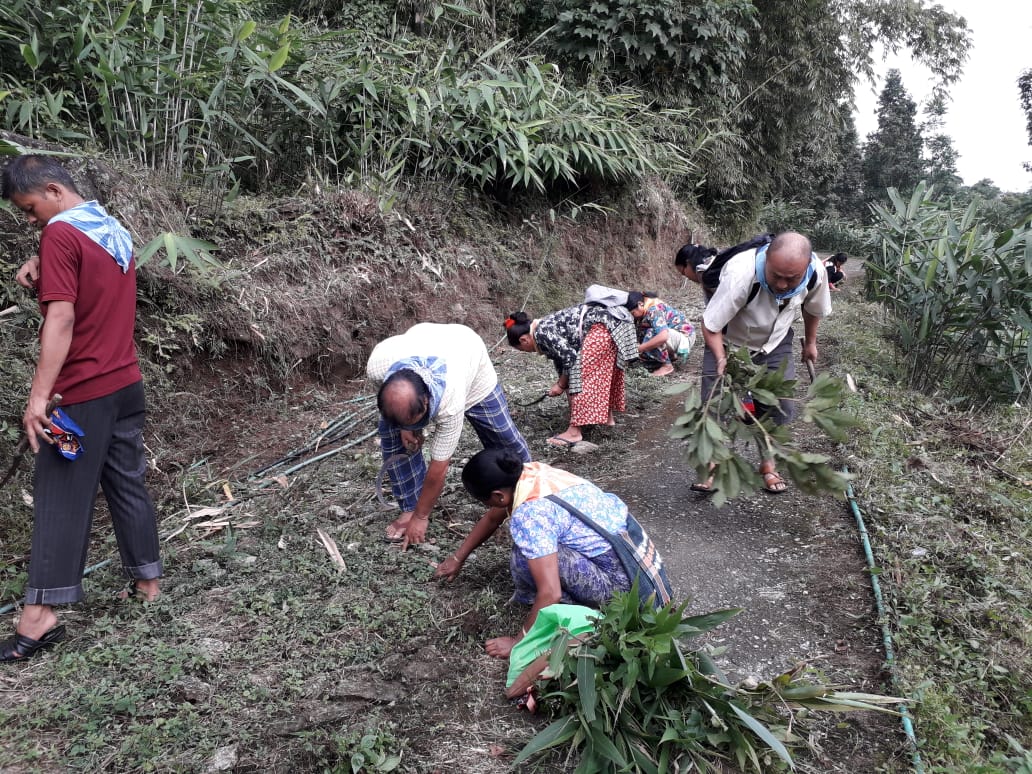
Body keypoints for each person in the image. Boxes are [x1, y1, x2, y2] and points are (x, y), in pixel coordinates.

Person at [1, 155, 163, 662]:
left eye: (30, 209)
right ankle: (148, 583)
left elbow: (63, 319)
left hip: (79, 398)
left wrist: (39, 397)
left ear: (53, 190)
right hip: (125, 386)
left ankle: (39, 616)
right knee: (125, 481)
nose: (32, 220)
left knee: (60, 492)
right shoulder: (109, 228)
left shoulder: (61, 236)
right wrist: (41, 265)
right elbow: (93, 289)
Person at [434, 448, 636, 659]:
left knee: (525, 555)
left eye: (486, 502)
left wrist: (519, 643)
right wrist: (458, 558)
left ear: (498, 496)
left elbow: (551, 592)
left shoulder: (530, 512)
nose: (488, 507)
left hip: (622, 591)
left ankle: (571, 611)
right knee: (536, 551)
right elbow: (493, 518)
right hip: (636, 562)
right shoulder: (532, 475)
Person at [367, 322, 530, 547]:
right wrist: (405, 426)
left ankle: (529, 489)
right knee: (392, 435)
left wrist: (422, 518)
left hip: (468, 354)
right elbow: (394, 400)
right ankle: (410, 506)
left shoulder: (449, 401)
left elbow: (439, 466)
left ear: (426, 401)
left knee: (504, 439)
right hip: (426, 338)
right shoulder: (378, 367)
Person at [696, 231, 832, 494]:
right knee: (713, 404)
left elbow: (813, 308)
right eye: (776, 275)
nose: (782, 284)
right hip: (729, 342)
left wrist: (811, 342)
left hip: (775, 343)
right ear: (766, 259)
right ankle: (712, 464)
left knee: (779, 406)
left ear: (806, 267)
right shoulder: (741, 274)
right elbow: (710, 325)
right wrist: (721, 358)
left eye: (791, 279)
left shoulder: (816, 272)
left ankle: (768, 464)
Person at [504, 300, 638, 449]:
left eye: (522, 349)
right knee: (603, 374)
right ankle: (606, 419)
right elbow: (564, 366)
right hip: (617, 322)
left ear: (523, 340)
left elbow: (571, 360)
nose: (527, 352)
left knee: (583, 375)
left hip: (604, 325)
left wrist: (560, 385)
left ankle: (574, 432)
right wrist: (562, 385)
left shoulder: (542, 333)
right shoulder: (545, 329)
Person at [627, 291, 696, 377]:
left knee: (653, 333)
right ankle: (670, 356)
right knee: (643, 332)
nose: (632, 316)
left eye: (633, 313)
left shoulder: (654, 310)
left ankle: (667, 366)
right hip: (673, 335)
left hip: (685, 337)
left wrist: (641, 348)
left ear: (640, 304)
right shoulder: (645, 309)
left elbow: (663, 336)